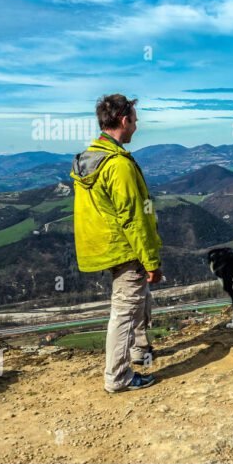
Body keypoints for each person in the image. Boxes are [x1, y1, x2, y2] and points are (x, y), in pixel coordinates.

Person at [70, 94, 164, 393]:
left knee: (138, 299)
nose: (136, 126)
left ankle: (139, 351)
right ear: (124, 120)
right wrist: (151, 261)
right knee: (125, 310)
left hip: (103, 246)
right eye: (135, 120)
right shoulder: (118, 165)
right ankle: (118, 377)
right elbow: (134, 218)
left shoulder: (89, 159)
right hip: (125, 248)